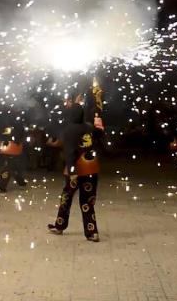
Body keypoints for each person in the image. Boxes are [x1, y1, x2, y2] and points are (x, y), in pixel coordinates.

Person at [48, 88, 105, 242]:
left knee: (66, 198)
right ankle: (92, 232)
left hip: (76, 170)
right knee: (87, 201)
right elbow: (100, 134)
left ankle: (60, 226)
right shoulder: (89, 127)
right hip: (92, 169)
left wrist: (72, 170)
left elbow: (69, 152)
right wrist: (98, 119)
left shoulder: (69, 130)